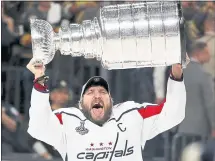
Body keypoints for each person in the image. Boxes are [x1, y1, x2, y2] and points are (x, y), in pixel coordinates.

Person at [26, 57, 187, 161]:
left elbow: (173, 113)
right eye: (90, 92)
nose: (97, 95)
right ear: (81, 103)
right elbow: (38, 126)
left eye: (103, 92)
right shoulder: (67, 119)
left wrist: (176, 75)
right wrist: (40, 79)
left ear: (111, 100)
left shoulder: (132, 114)